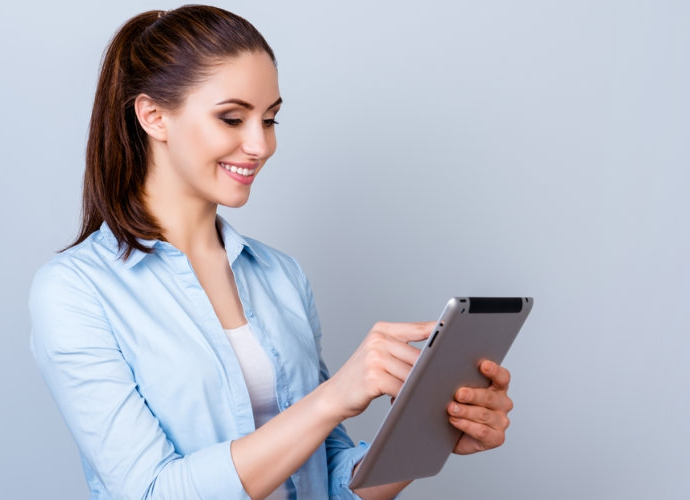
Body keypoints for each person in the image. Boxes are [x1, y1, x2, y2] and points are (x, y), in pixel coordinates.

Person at [29, 6, 515, 499]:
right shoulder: (75, 292)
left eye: (270, 119)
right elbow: (152, 491)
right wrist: (332, 398)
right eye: (232, 118)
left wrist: (432, 429)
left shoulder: (281, 276)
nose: (260, 145)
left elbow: (329, 481)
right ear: (154, 116)